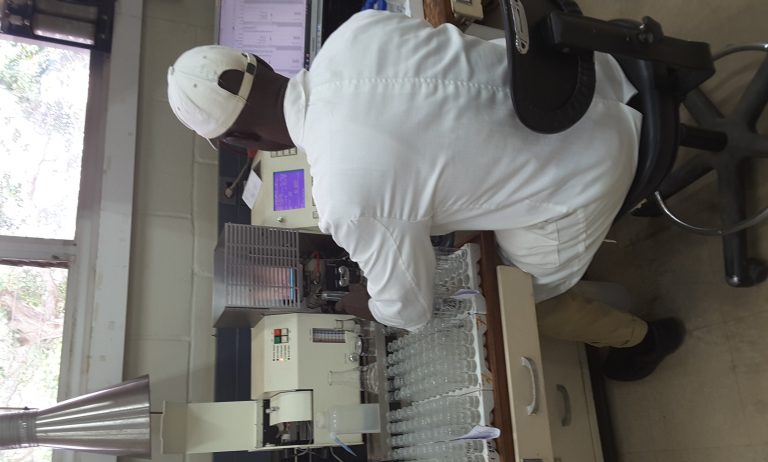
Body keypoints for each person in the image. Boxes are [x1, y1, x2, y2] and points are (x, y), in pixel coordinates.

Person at [166, 10, 684, 381]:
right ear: (260, 62)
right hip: (588, 81)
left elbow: (411, 308)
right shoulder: (356, 32)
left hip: (591, 166)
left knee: (515, 296)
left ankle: (643, 341)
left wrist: (368, 305)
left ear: (241, 141)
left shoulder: (344, 196)